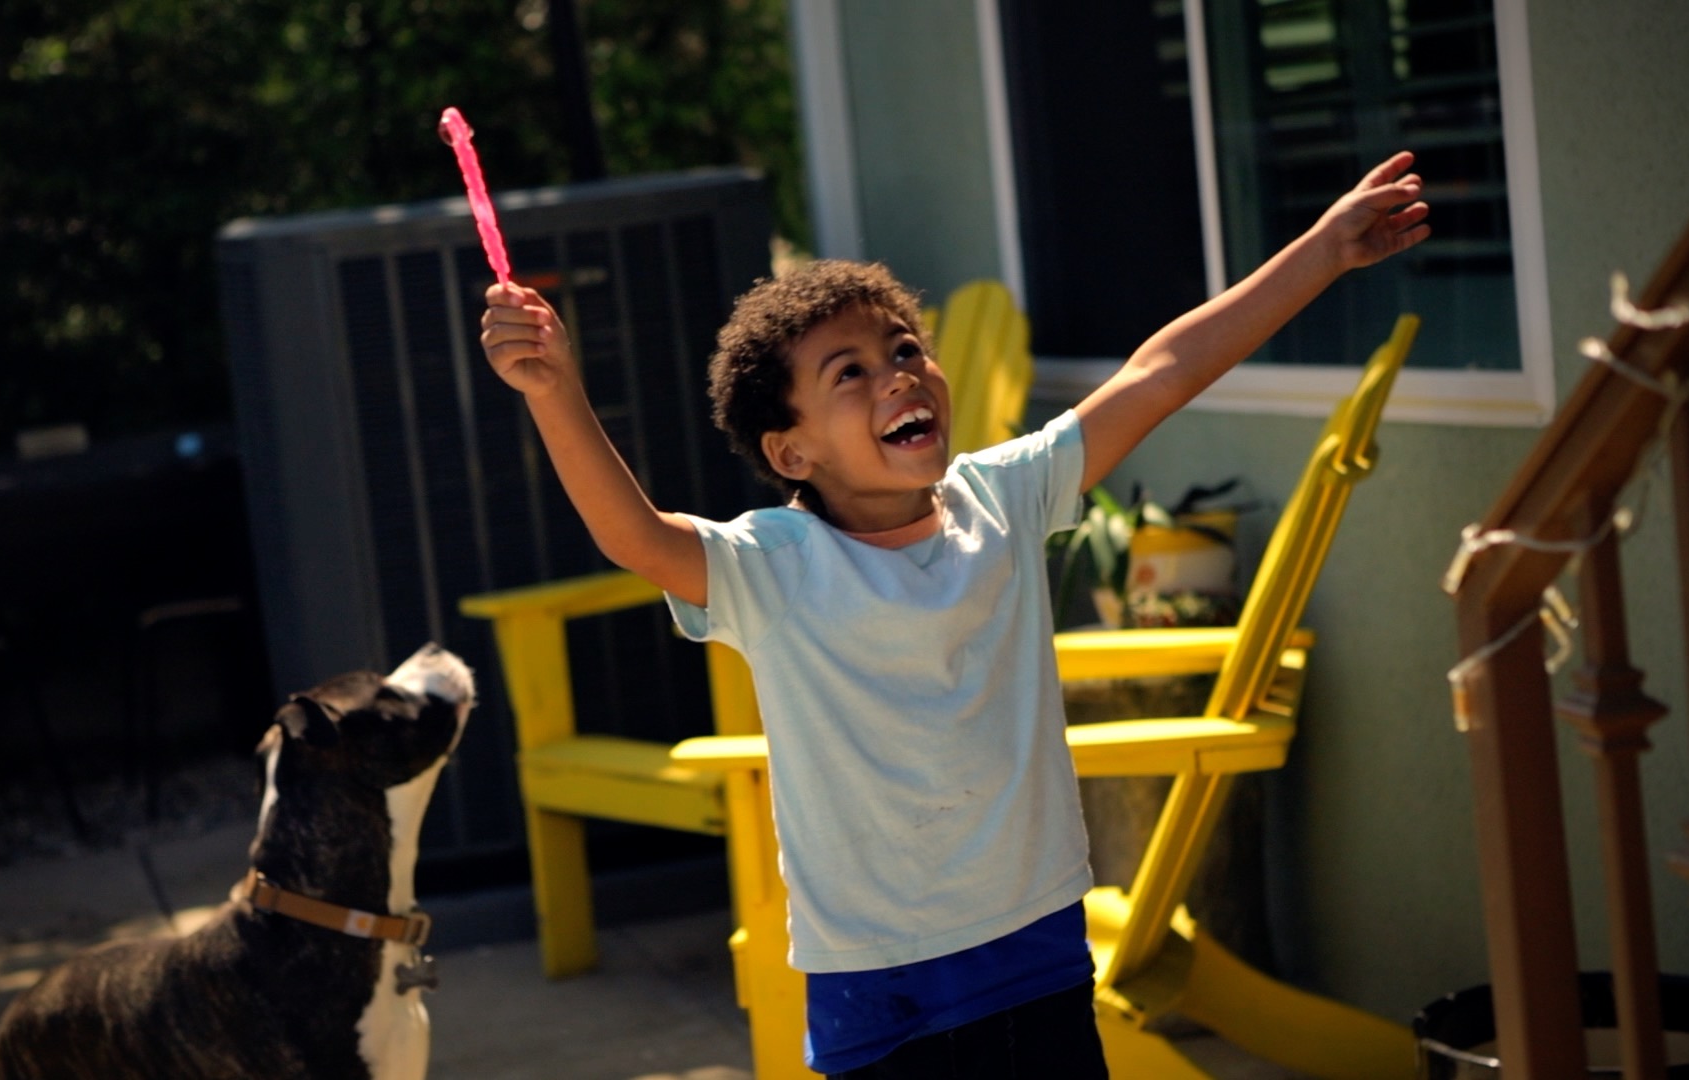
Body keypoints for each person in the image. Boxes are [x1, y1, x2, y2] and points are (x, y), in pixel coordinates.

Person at [479, 151, 1430, 1078]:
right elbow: (635, 536)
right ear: (792, 451)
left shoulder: (1003, 497)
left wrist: (1321, 249)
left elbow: (1163, 372)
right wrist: (555, 391)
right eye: (847, 373)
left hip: (1029, 945)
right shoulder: (771, 566)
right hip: (869, 975)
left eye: (904, 350)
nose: (898, 374)